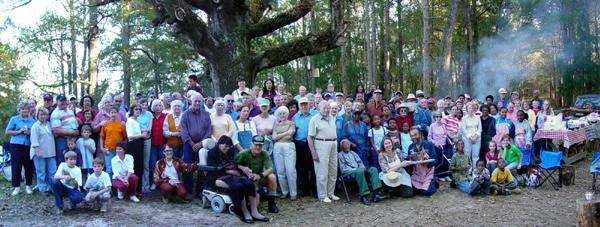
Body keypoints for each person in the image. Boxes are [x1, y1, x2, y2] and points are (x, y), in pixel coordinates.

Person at [206, 136, 269, 223]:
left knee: (249, 183)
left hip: (233, 174)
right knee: (239, 186)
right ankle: (244, 212)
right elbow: (214, 168)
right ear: (220, 144)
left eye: (229, 146)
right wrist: (230, 172)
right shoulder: (212, 152)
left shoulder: (229, 151)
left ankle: (254, 212)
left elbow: (234, 163)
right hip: (218, 175)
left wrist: (241, 168)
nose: (227, 148)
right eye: (225, 146)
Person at [235, 135, 279, 213]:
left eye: (260, 145)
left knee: (272, 177)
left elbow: (270, 168)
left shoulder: (264, 153)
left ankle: (271, 203)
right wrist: (242, 167)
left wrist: (260, 175)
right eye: (256, 145)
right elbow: (233, 164)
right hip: (246, 179)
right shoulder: (243, 153)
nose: (258, 147)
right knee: (254, 207)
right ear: (251, 144)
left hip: (258, 177)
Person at [180, 93, 212, 198]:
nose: (197, 103)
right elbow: (183, 131)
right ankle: (188, 191)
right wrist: (192, 144)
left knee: (202, 168)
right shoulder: (185, 114)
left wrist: (200, 143)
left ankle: (200, 191)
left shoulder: (206, 115)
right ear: (190, 101)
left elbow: (208, 130)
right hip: (189, 145)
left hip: (202, 145)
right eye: (195, 101)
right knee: (187, 167)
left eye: (199, 101)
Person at [308, 101, 339, 203]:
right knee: (322, 171)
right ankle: (322, 195)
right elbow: (310, 137)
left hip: (333, 144)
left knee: (333, 170)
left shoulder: (331, 118)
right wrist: (313, 152)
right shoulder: (314, 119)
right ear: (319, 109)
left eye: (327, 108)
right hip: (321, 144)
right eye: (324, 108)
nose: (326, 110)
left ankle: (331, 193)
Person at [340, 139, 386, 205]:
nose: (347, 146)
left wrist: (363, 167)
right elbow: (343, 169)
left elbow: (359, 162)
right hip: (349, 172)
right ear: (342, 146)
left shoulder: (353, 153)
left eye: (348, 144)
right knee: (359, 172)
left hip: (359, 170)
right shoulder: (340, 155)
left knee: (373, 169)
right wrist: (357, 169)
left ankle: (376, 194)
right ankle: (364, 196)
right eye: (345, 145)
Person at [6, 101, 36, 196]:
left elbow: (35, 133)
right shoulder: (14, 119)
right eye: (22, 109)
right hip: (16, 146)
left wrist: (29, 132)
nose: (24, 110)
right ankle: (16, 187)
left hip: (28, 146)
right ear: (19, 110)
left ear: (28, 110)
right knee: (16, 167)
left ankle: (28, 186)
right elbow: (8, 132)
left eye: (26, 109)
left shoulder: (32, 121)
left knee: (29, 166)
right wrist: (19, 131)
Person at [292, 97, 318, 197]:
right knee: (302, 167)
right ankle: (305, 190)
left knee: (313, 167)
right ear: (299, 106)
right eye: (301, 105)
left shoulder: (315, 115)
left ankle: (315, 190)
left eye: (305, 104)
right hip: (300, 144)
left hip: (313, 143)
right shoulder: (295, 117)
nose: (303, 106)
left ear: (309, 105)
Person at [29, 107, 57, 196]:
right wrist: (38, 151)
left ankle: (52, 188)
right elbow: (34, 140)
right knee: (41, 172)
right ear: (37, 115)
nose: (43, 116)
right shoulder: (35, 126)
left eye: (44, 114)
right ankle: (42, 189)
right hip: (39, 152)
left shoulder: (49, 124)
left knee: (52, 171)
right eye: (41, 115)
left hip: (50, 152)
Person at [272, 106, 297, 201]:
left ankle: (293, 192)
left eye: (284, 113)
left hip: (289, 145)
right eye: (280, 114)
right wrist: (285, 133)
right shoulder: (276, 125)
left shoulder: (291, 123)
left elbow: (291, 134)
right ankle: (284, 191)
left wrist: (279, 135)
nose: (282, 115)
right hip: (278, 146)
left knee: (290, 170)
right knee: (280, 171)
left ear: (287, 114)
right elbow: (274, 138)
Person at [126, 102, 150, 194]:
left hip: (139, 144)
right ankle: (133, 190)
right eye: (136, 109)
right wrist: (141, 136)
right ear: (132, 110)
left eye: (139, 109)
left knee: (140, 166)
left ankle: (138, 190)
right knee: (135, 166)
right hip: (134, 146)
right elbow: (130, 136)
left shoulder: (136, 121)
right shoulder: (130, 121)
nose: (138, 111)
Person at [407, 128, 437, 196]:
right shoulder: (411, 147)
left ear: (420, 135)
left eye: (415, 135)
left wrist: (428, 163)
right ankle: (426, 186)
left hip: (427, 173)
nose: (413, 137)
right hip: (416, 174)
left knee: (426, 192)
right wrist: (410, 164)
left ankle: (433, 183)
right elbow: (409, 160)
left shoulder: (429, 144)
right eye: (412, 136)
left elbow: (435, 160)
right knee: (413, 191)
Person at [52, 151, 84, 215]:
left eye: (75, 159)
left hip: (72, 188)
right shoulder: (62, 165)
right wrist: (64, 177)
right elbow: (55, 176)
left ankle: (72, 202)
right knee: (55, 182)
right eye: (71, 159)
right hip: (63, 186)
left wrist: (75, 183)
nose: (73, 161)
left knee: (79, 198)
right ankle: (60, 206)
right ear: (66, 160)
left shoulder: (77, 170)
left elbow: (78, 186)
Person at [99, 106, 127, 178]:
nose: (113, 114)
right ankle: (109, 187)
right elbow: (102, 137)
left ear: (118, 114)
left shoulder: (121, 124)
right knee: (109, 168)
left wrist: (124, 148)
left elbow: (125, 137)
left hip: (119, 150)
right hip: (108, 149)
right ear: (109, 113)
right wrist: (102, 148)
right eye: (112, 112)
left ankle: (118, 186)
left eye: (115, 112)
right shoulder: (106, 124)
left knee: (118, 168)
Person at [51, 94, 80, 163]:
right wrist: (72, 133)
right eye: (61, 101)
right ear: (57, 102)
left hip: (72, 140)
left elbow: (75, 124)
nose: (63, 102)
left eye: (64, 100)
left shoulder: (70, 111)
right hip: (63, 140)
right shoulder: (55, 114)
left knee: (73, 159)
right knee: (63, 160)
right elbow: (56, 131)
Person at [136, 98, 153, 194]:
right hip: (138, 140)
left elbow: (149, 128)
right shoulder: (136, 115)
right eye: (142, 104)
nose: (144, 106)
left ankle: (146, 185)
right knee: (139, 163)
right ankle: (139, 185)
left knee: (146, 164)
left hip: (147, 140)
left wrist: (140, 129)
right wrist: (143, 130)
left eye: (146, 105)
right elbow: (135, 129)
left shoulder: (149, 114)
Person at [428, 111, 450, 181]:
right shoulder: (432, 126)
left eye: (440, 116)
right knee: (440, 160)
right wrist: (434, 143)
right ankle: (440, 175)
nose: (438, 118)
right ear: (434, 118)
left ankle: (446, 174)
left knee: (446, 159)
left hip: (444, 145)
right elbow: (429, 137)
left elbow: (445, 135)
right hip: (437, 146)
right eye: (437, 117)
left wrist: (449, 141)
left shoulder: (443, 125)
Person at [461, 102, 482, 173]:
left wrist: (475, 137)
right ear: (467, 109)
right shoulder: (464, 118)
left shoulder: (478, 118)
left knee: (476, 155)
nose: (471, 109)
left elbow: (480, 128)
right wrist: (470, 137)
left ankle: (475, 170)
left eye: (472, 108)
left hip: (477, 138)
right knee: (467, 154)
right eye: (469, 108)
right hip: (467, 139)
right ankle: (468, 171)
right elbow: (464, 129)